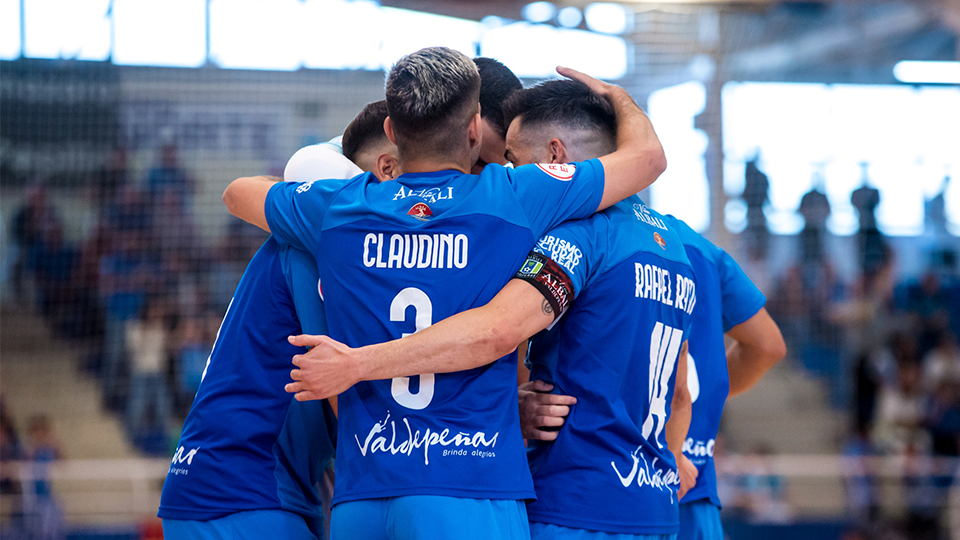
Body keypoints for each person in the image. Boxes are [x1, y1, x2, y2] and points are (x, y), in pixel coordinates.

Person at [223, 46, 665, 539]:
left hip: (362, 499)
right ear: (475, 131)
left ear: (391, 131)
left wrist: (344, 172)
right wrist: (618, 99)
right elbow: (647, 158)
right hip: (467, 489)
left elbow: (237, 192)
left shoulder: (339, 205)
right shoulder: (515, 194)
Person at [158, 104, 398, 540]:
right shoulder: (326, 242)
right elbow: (337, 382)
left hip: (249, 488)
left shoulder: (313, 230)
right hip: (240, 491)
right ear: (385, 170)